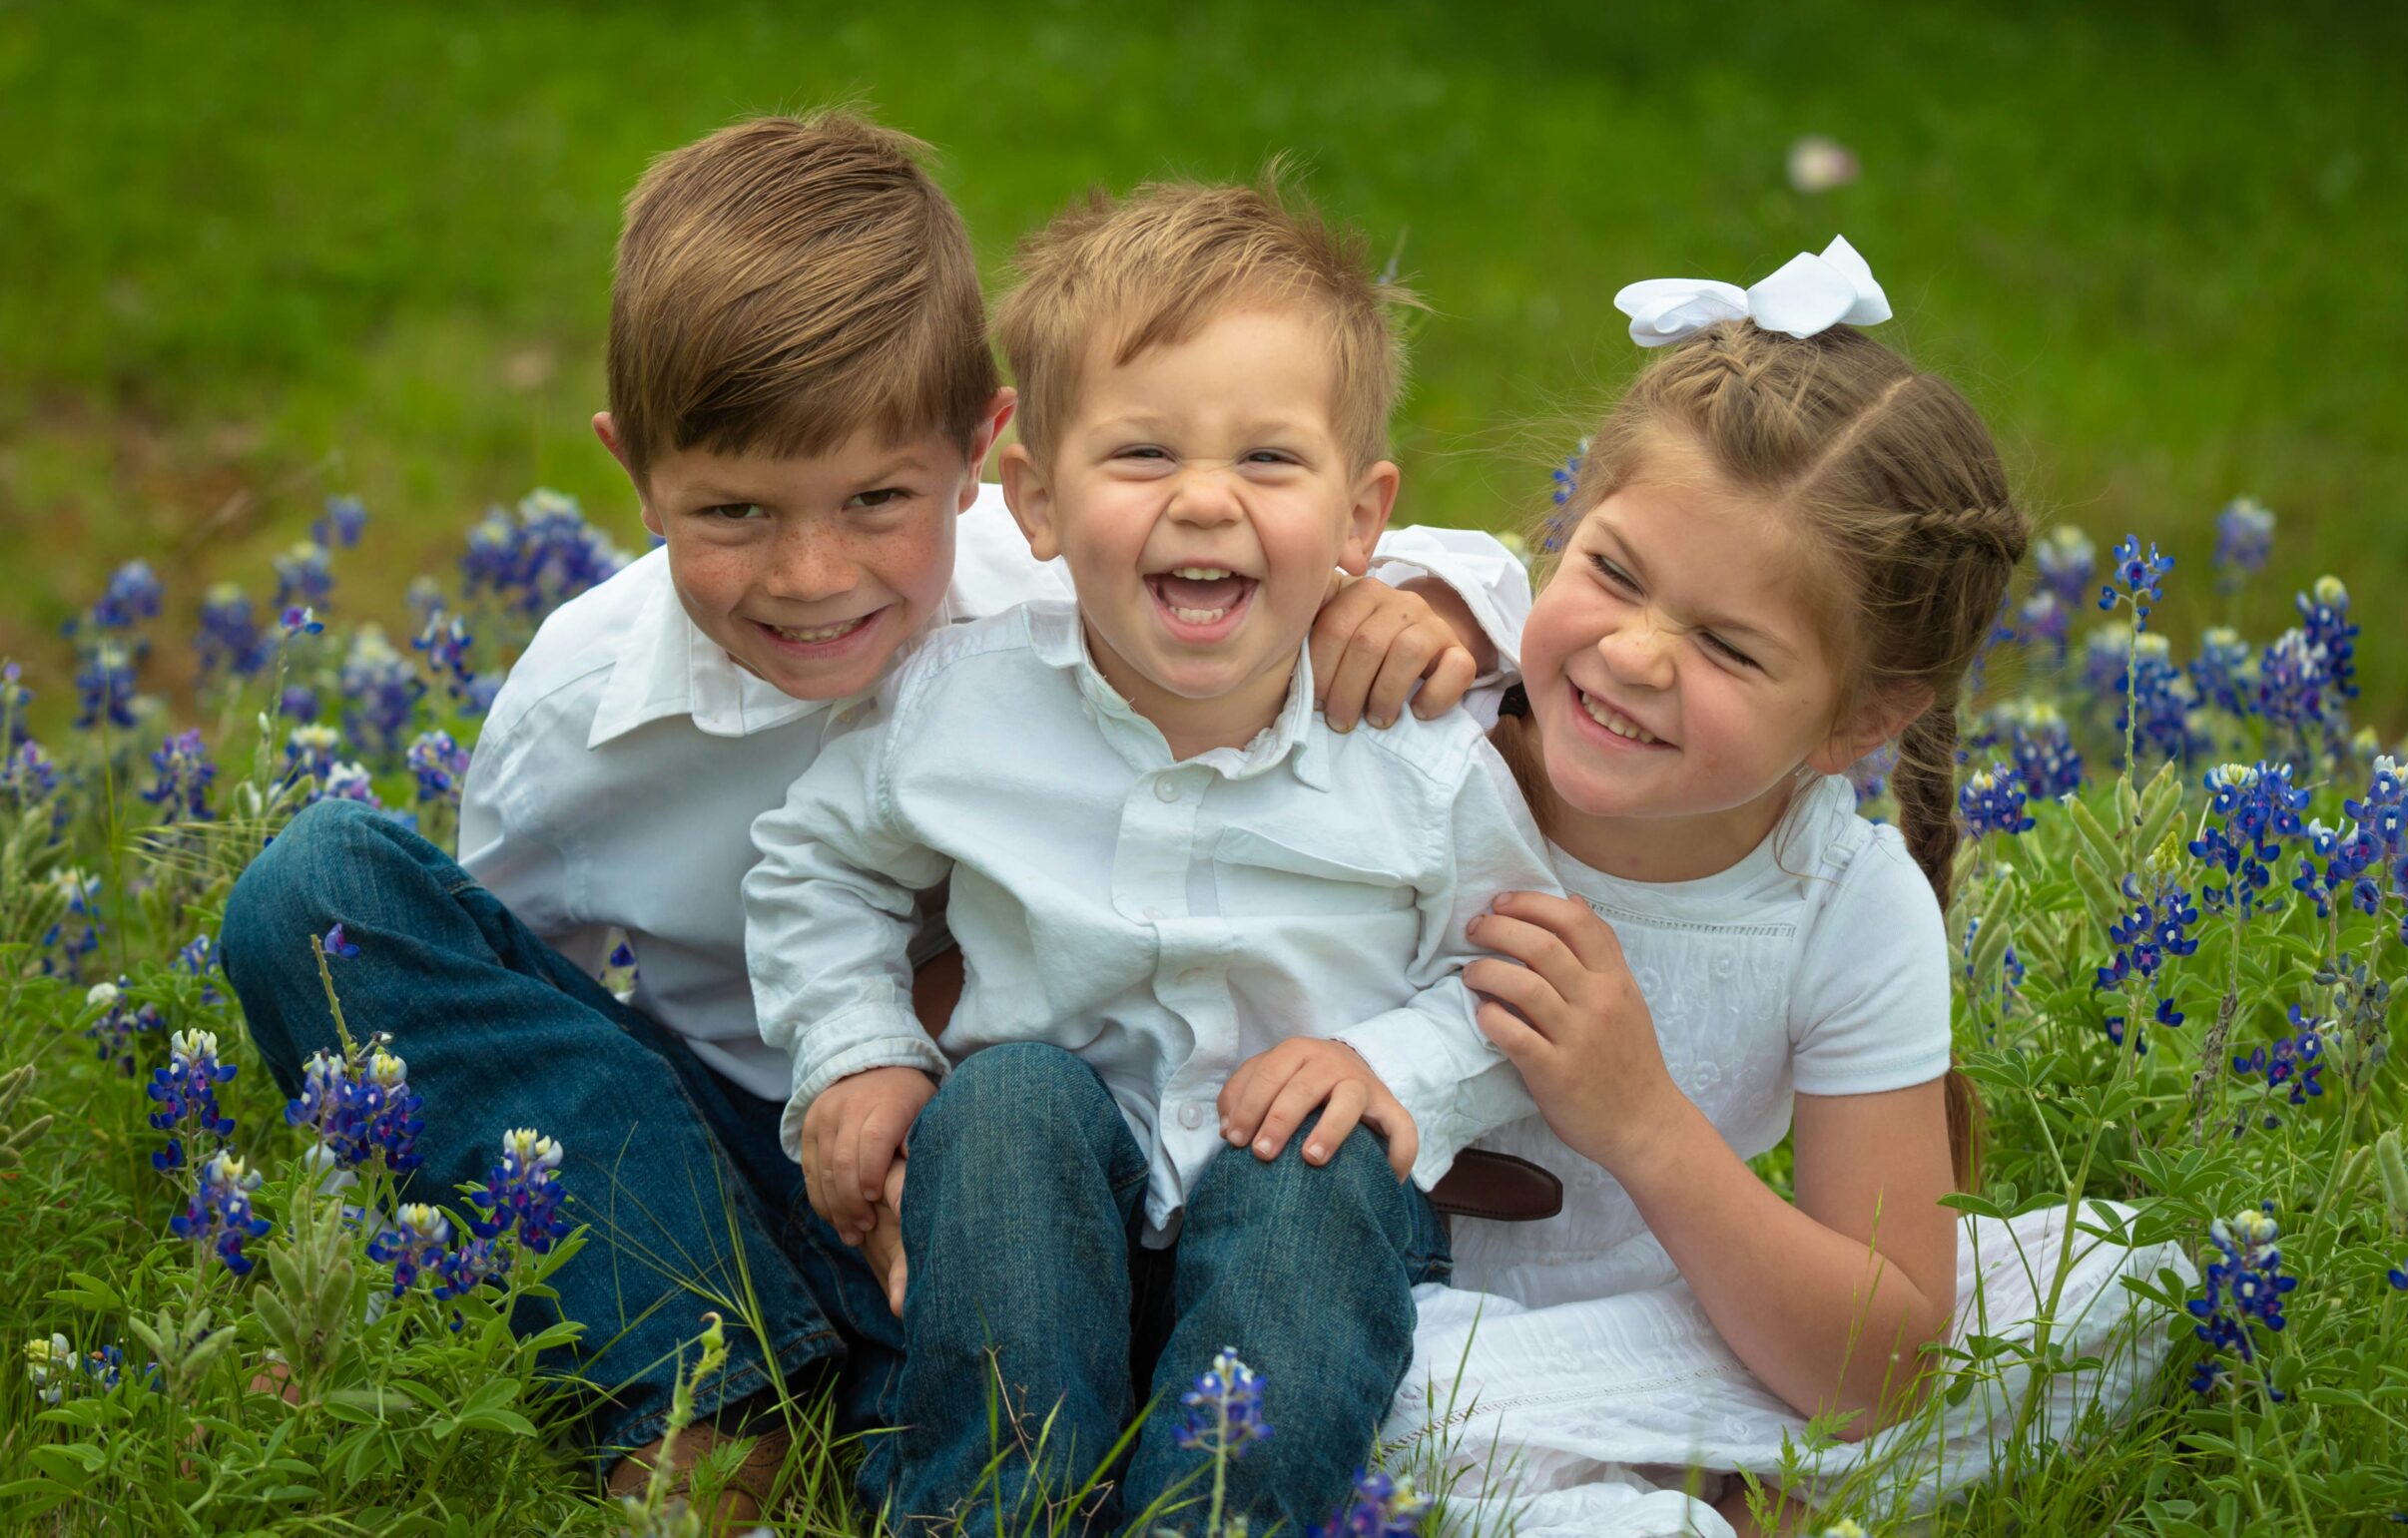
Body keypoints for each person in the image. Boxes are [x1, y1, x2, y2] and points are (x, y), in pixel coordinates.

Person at [215, 112, 1524, 1524]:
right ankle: (706, 1388)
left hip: (1047, 1200)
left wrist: (1436, 594)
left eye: (876, 498)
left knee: (1030, 1127)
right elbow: (491, 1039)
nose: (812, 571)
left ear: (983, 458)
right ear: (630, 467)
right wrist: (355, 1262)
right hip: (756, 1182)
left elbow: (1284, 504)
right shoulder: (576, 705)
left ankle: (969, 1420)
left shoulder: (1076, 575)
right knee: (319, 889)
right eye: (730, 511)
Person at [743, 176, 1560, 1534]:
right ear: (1035, 502)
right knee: (1000, 1101)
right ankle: (986, 1506)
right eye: (1139, 456)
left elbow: (1518, 977)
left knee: (1317, 1170)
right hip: (1032, 1232)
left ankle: (1217, 1517)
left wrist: (1389, 1070)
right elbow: (815, 862)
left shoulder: (1414, 759)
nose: (1202, 501)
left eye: (1267, 459)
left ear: (1364, 519)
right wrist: (856, 1046)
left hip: (1299, 1244)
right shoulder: (957, 710)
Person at [1383, 241, 2193, 1537]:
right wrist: (1409, 598)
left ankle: (1658, 1480)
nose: (1636, 653)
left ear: (1856, 721)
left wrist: (1643, 1120)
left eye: (1727, 644)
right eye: (1611, 570)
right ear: (1564, 521)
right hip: (1377, 1314)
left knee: (2112, 1281)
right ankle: (1696, 1492)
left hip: (1689, 1316)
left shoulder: (1846, 904)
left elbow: (1882, 1359)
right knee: (1397, 1401)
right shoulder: (1428, 726)